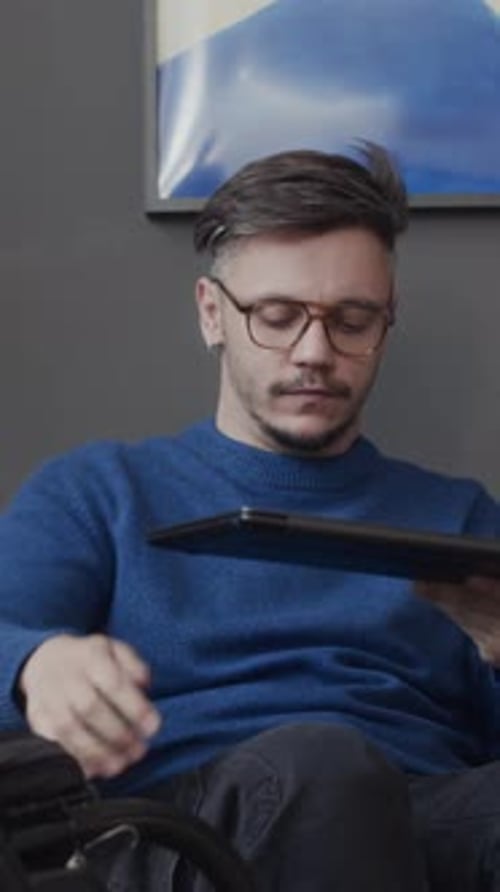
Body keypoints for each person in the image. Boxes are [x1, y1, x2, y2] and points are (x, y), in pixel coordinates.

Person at [2, 143, 500, 892]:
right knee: (325, 768)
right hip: (190, 828)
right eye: (277, 316)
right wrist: (34, 664)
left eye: (352, 320)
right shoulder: (100, 491)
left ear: (387, 320)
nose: (314, 352)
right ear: (213, 314)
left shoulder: (460, 516)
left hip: (424, 814)